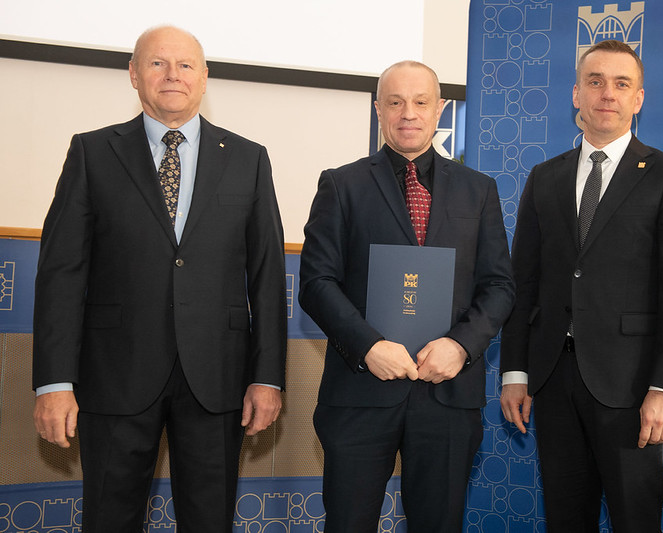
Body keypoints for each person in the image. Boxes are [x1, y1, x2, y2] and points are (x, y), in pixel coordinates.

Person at [32, 25, 287, 532]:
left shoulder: (248, 158)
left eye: (185, 65)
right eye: (157, 63)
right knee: (109, 519)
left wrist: (267, 377)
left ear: (204, 77)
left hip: (217, 379)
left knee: (209, 521)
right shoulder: (92, 152)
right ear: (133, 74)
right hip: (114, 376)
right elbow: (61, 274)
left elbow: (267, 276)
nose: (173, 75)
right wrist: (54, 383)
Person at [299, 60, 515, 532]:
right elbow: (316, 283)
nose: (408, 113)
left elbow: (499, 285)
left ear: (439, 109)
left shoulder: (478, 190)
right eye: (395, 102)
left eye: (420, 102)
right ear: (379, 109)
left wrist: (459, 346)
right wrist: (369, 347)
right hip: (360, 392)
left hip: (448, 396)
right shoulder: (342, 184)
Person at [500, 40, 663, 532]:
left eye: (621, 84)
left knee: (636, 520)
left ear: (638, 98)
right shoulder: (544, 177)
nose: (607, 93)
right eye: (595, 82)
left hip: (632, 386)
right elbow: (523, 282)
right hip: (553, 381)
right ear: (577, 94)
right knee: (566, 519)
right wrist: (514, 372)